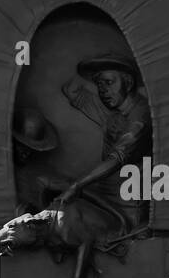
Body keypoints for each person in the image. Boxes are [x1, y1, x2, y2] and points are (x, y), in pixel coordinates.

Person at [56, 55, 152, 227]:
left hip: (128, 206)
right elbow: (70, 90)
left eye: (108, 83)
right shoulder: (113, 111)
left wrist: (76, 186)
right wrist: (89, 71)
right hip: (103, 198)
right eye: (99, 86)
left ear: (128, 83)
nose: (103, 91)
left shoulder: (140, 116)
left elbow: (117, 157)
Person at [11, 106, 62, 215]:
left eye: (31, 149)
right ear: (13, 141)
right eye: (22, 147)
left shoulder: (39, 173)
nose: (26, 153)